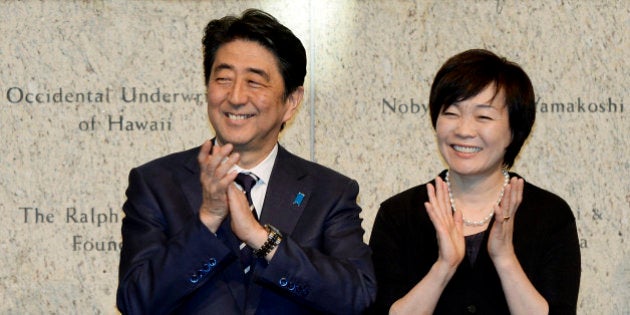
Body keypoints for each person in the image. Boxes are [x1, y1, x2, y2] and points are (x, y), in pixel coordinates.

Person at [116, 9, 376, 314]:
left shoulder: (330, 192)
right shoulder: (156, 183)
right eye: (223, 79)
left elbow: (357, 296)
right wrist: (207, 220)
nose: (236, 96)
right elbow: (135, 301)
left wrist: (261, 239)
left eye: (254, 82)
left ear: (291, 102)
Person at [368, 49, 581, 314]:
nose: (464, 130)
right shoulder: (399, 215)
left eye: (484, 117)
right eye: (451, 113)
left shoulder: (550, 215)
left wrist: (505, 259)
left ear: (514, 131)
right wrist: (443, 267)